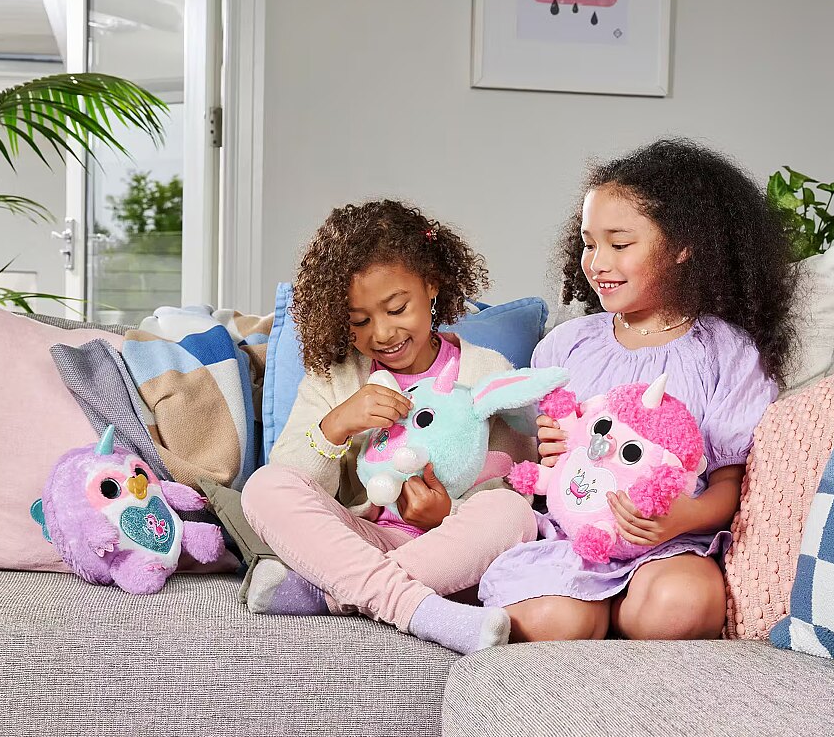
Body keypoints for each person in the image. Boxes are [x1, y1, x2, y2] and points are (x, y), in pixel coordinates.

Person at [480, 138, 796, 642]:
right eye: (589, 243)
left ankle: (620, 617)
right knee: (554, 623)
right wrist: (549, 448)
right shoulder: (566, 345)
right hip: (575, 537)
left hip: (668, 544)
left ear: (682, 247)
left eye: (620, 244)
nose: (597, 262)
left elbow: (730, 479)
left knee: (683, 606)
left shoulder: (725, 352)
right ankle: (588, 612)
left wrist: (683, 518)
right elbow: (542, 461)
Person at [240, 199, 537, 654]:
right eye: (359, 321)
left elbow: (518, 483)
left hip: (451, 555)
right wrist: (335, 427)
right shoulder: (336, 377)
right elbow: (297, 481)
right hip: (364, 542)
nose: (381, 334)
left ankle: (331, 595)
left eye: (397, 309)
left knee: (512, 513)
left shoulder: (485, 372)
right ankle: (417, 609)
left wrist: (446, 515)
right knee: (265, 487)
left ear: (431, 285)